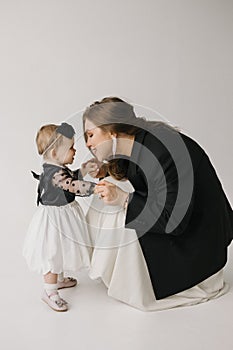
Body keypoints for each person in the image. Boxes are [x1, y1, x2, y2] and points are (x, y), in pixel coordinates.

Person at [83, 97, 233, 311]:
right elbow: (144, 173)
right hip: (186, 225)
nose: (88, 143)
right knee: (109, 205)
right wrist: (105, 170)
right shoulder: (140, 141)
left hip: (197, 242)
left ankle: (137, 281)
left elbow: (174, 221)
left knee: (118, 210)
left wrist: (124, 199)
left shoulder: (163, 150)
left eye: (91, 135)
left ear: (112, 131)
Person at [23, 122, 97, 312]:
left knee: (62, 246)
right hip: (54, 220)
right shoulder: (54, 174)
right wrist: (94, 188)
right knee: (52, 251)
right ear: (55, 153)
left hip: (64, 215)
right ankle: (49, 292)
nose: (74, 151)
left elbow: (70, 177)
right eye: (71, 147)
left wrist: (84, 170)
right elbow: (71, 185)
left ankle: (60, 279)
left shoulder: (56, 168)